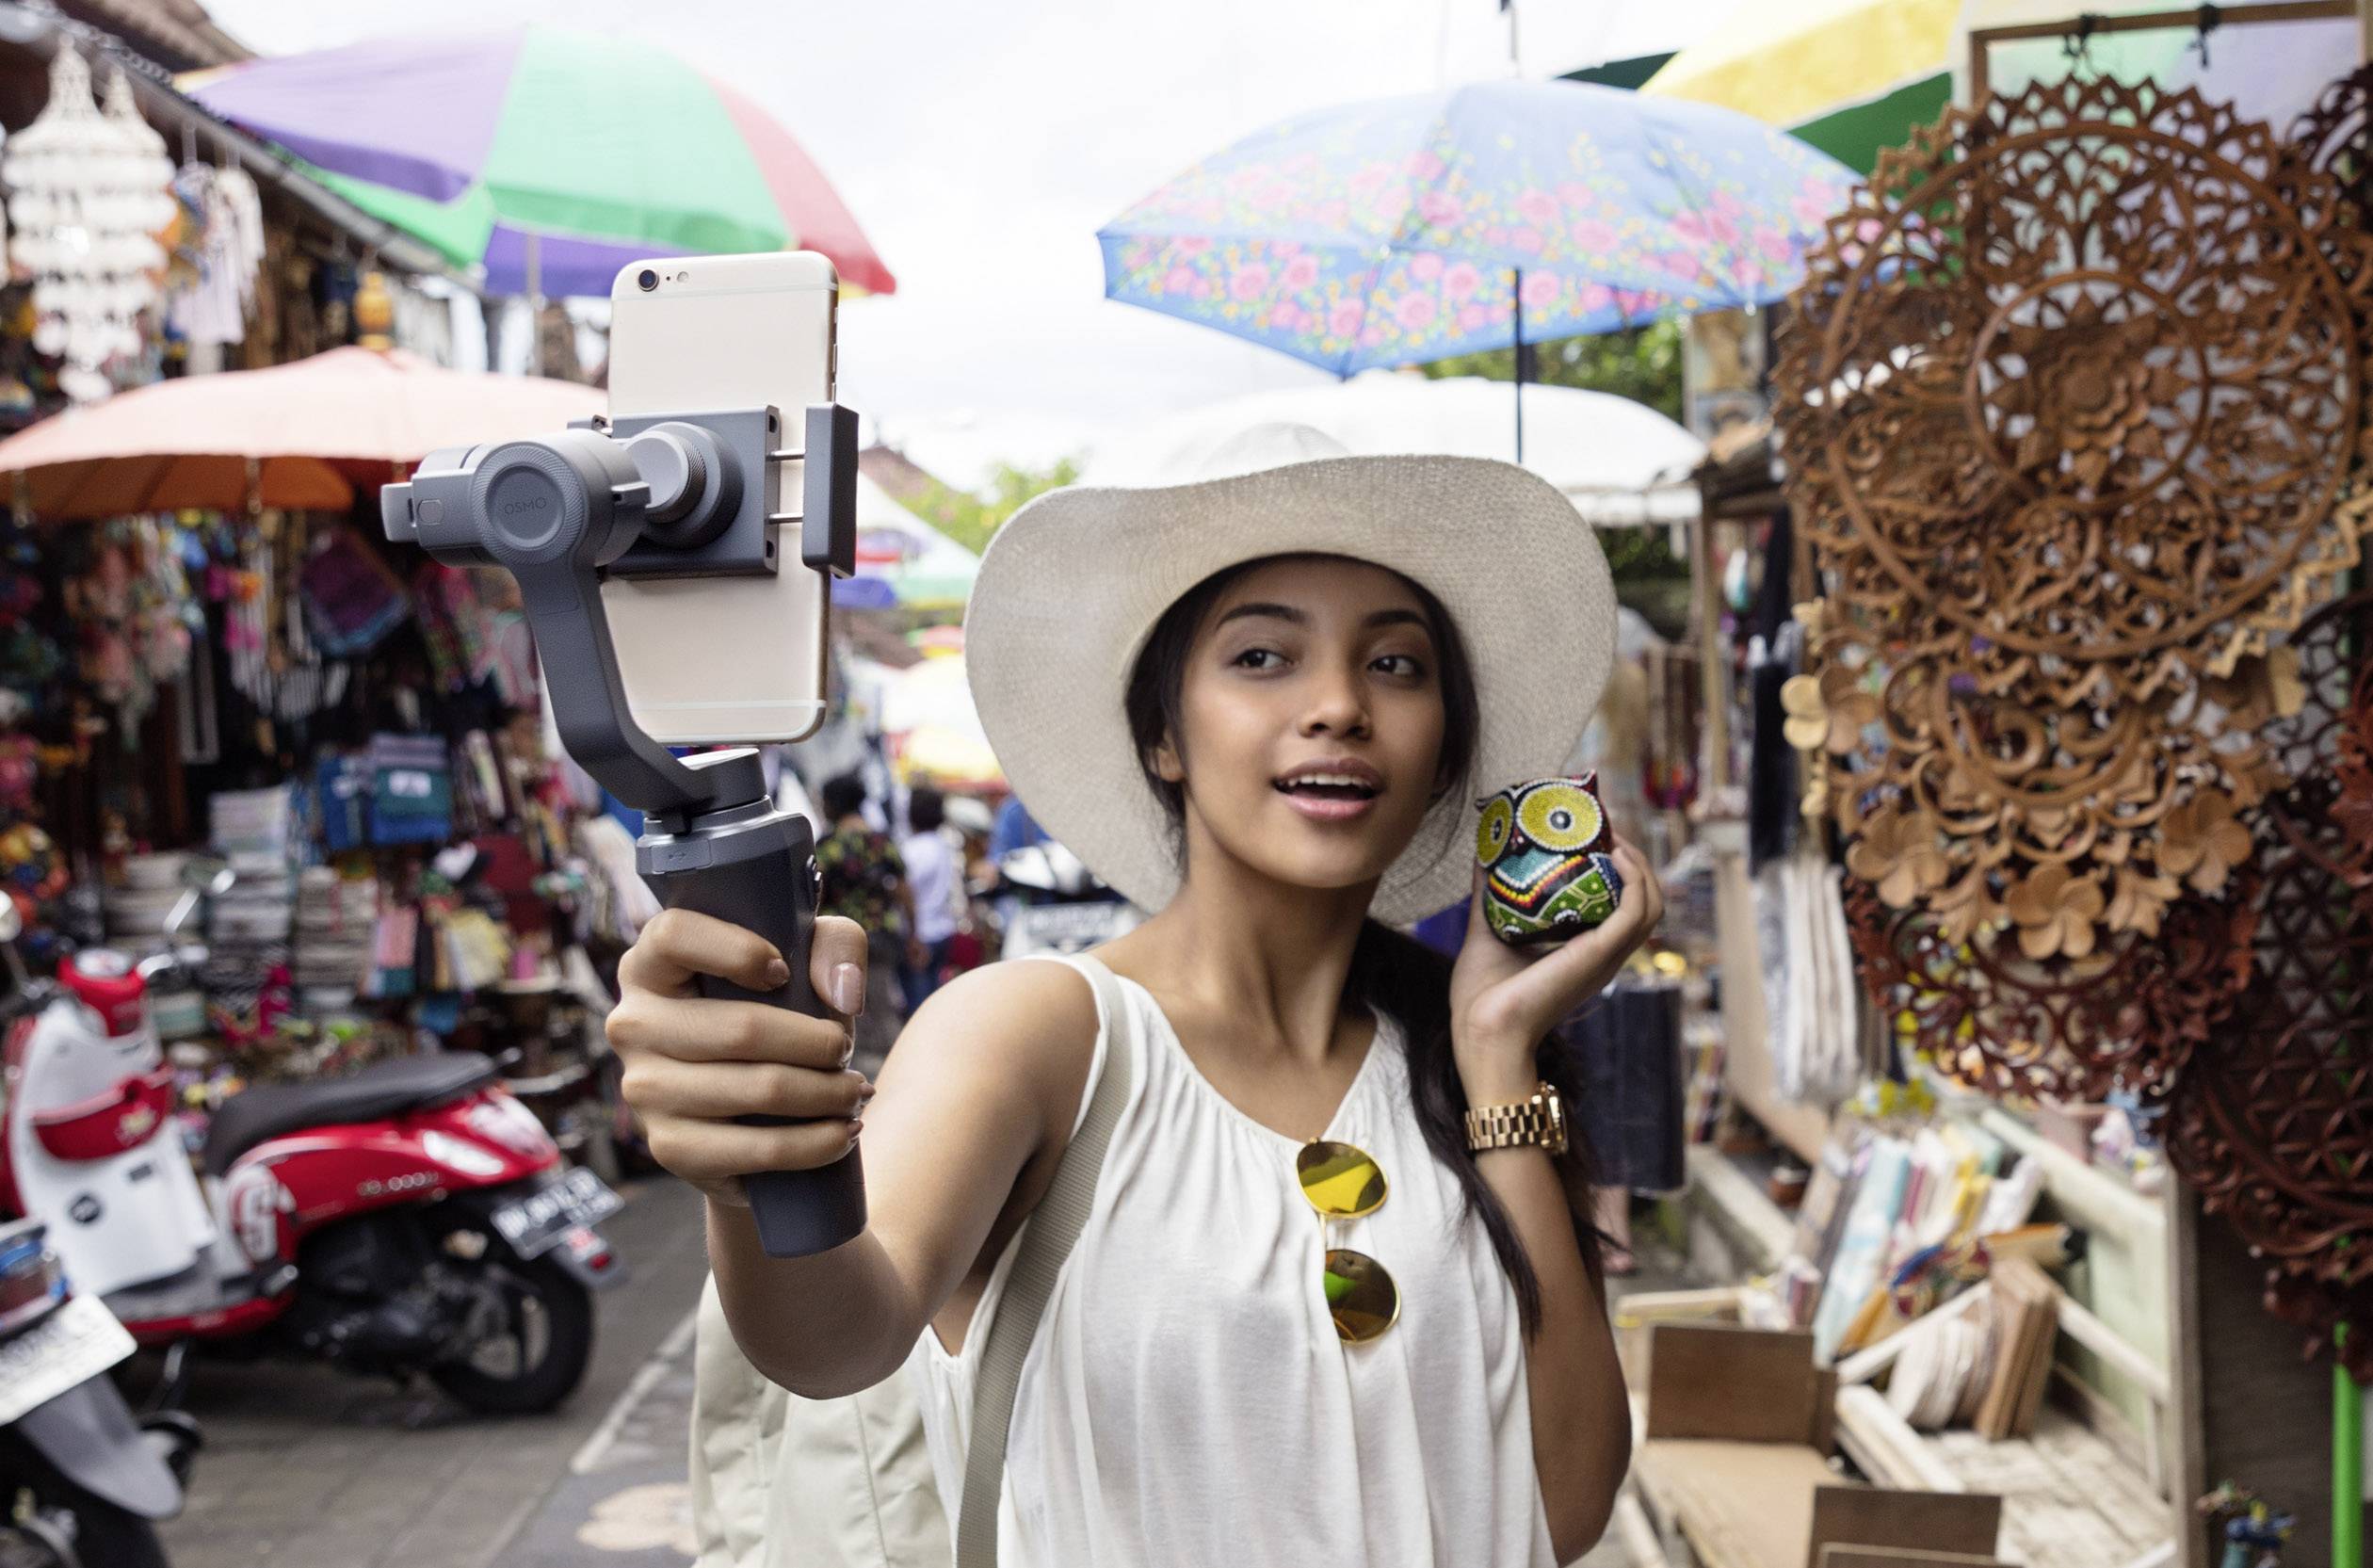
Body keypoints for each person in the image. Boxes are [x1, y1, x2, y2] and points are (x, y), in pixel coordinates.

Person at [609, 428, 1660, 1565]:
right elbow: (833, 1341)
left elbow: (1563, 1507)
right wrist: (751, 1168)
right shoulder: (1037, 1036)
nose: (1339, 706)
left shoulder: (1460, 1067)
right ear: (1163, 734)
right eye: (1263, 656)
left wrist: (1499, 1046)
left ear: (1445, 751)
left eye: (1396, 666)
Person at [812, 771, 912, 1075]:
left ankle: (874, 1074)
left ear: (832, 804)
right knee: (883, 1002)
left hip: (843, 939)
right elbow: (904, 890)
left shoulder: (829, 845)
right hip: (883, 934)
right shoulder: (881, 840)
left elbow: (816, 892)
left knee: (853, 1010)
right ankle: (895, 1066)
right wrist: (914, 934)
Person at [896, 787, 961, 1012]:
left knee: (920, 1006)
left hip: (921, 935)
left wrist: (912, 935)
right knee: (934, 999)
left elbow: (906, 891)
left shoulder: (912, 850)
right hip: (942, 930)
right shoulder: (943, 846)